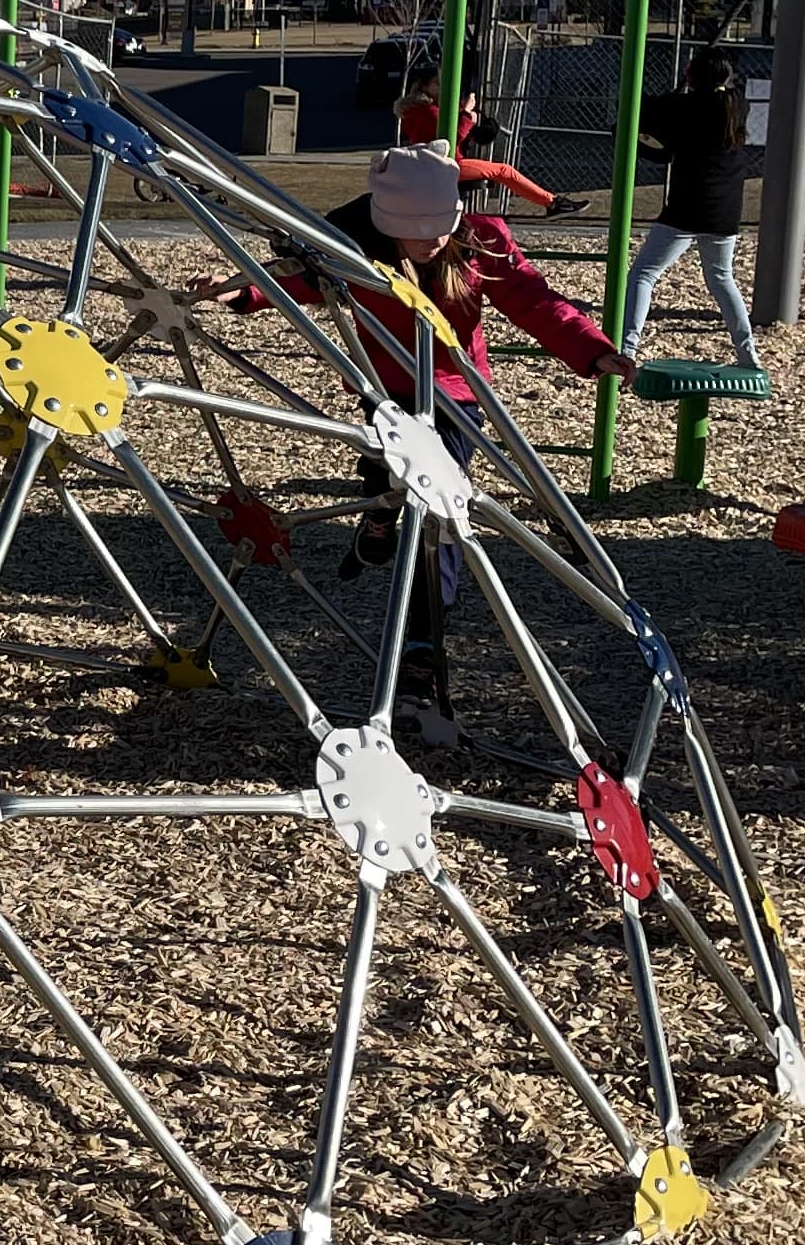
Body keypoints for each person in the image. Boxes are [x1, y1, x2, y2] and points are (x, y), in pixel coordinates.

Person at [209, 141, 630, 746]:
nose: (429, 243)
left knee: (440, 517)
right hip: (387, 392)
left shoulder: (482, 240)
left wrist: (593, 349)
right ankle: (379, 516)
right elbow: (297, 280)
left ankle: (424, 642)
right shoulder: (354, 251)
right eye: (415, 233)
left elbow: (535, 302)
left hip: (457, 397)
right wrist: (240, 293)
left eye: (437, 230)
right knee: (386, 477)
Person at [622, 48, 759, 366]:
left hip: (687, 207)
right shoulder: (737, 103)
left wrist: (678, 88)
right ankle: (747, 351)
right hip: (726, 210)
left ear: (691, 75)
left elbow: (642, 109)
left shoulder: (681, 107)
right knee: (722, 278)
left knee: (643, 274)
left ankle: (628, 350)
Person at [397, 68, 559, 213]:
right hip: (447, 163)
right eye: (437, 84)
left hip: (434, 164)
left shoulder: (417, 111)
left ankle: (551, 202)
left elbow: (445, 134)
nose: (443, 89)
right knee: (504, 171)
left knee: (501, 171)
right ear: (424, 87)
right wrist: (467, 114)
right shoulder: (428, 112)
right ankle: (551, 203)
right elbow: (452, 138)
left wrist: (469, 117)